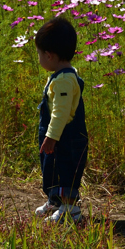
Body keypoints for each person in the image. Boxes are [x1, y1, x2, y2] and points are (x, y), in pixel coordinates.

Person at [33, 17, 88, 223]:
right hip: (59, 136)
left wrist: (51, 136)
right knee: (52, 168)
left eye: (39, 54)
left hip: (66, 138)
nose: (39, 58)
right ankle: (55, 201)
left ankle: (70, 210)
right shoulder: (62, 74)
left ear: (49, 55)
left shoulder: (64, 80)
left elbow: (60, 113)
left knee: (65, 170)